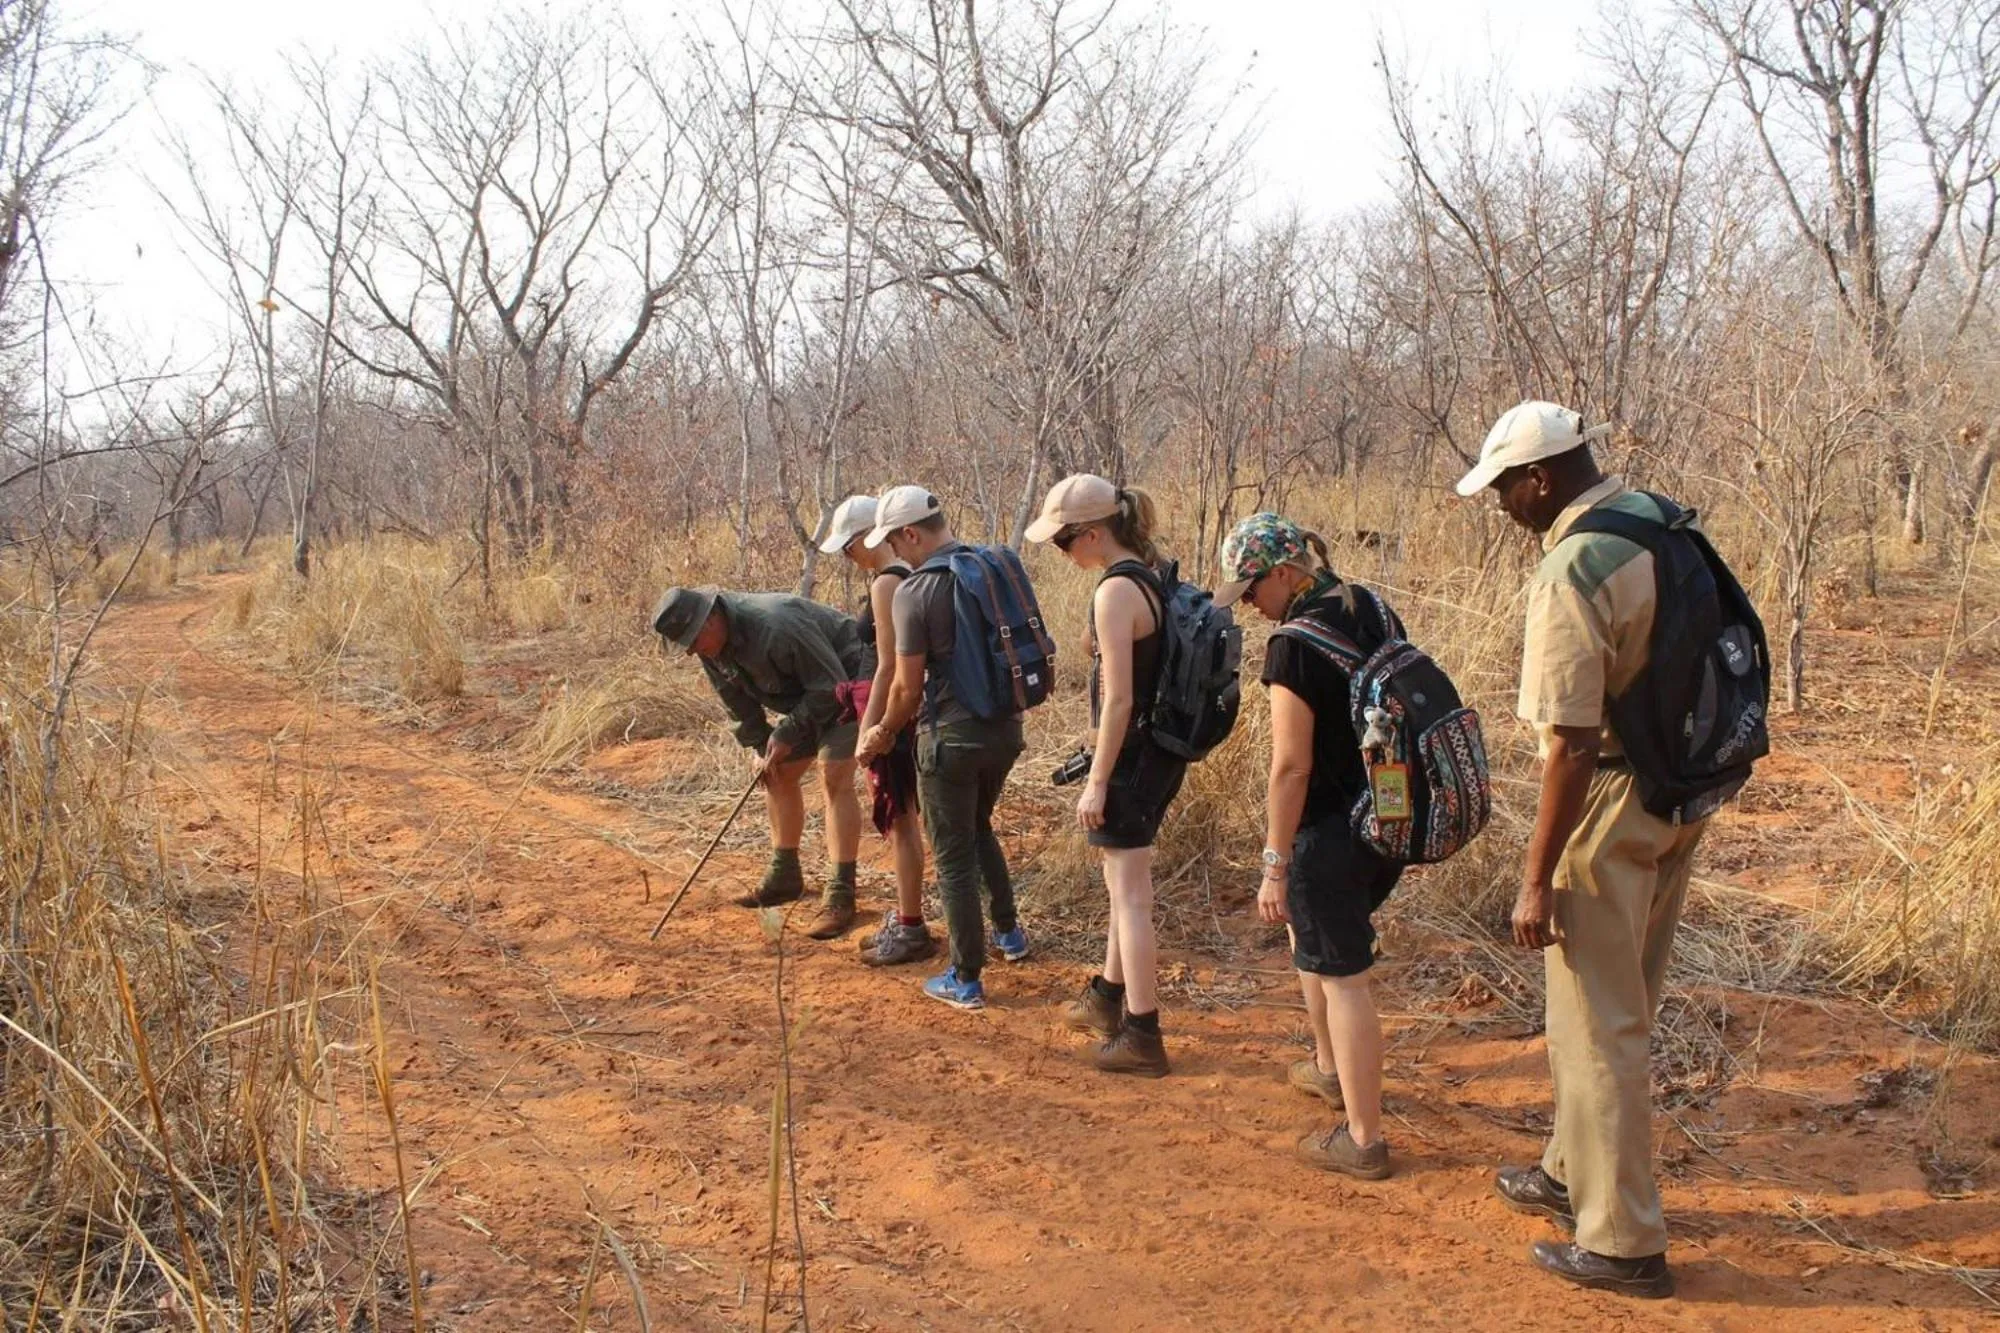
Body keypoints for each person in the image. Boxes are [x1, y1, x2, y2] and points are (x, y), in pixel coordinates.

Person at [1456, 400, 1698, 1300]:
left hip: (1611, 801)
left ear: (1541, 477)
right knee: (1619, 1002)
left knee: (1598, 1026)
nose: (1503, 505)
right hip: (1678, 788)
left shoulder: (1573, 565)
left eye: (1505, 488)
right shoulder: (1658, 519)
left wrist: (1535, 877)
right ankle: (1570, 1172)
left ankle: (1624, 1241)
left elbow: (1569, 744)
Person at [1214, 512, 1403, 1180]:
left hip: (1327, 830)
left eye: (1252, 589)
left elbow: (1290, 767)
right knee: (1316, 941)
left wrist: (1274, 862)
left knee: (1344, 975)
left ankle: (1364, 1138)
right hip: (1386, 816)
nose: (1250, 604)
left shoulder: (1292, 644)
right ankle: (1328, 1067)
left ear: (1286, 573)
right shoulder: (1369, 605)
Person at [1026, 474, 1183, 1077]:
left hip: (1130, 758)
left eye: (1064, 541)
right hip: (1155, 756)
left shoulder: (1116, 591)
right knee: (1124, 885)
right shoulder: (1148, 574)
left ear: (1092, 533)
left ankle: (1143, 1033)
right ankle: (1108, 998)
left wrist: (1097, 779)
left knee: (1131, 896)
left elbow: (1118, 700)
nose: (1062, 552)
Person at [855, 485, 1030, 1010]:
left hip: (950, 738)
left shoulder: (915, 591)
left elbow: (906, 688)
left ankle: (965, 977)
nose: (894, 552)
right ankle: (1009, 933)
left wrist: (882, 732)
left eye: (894, 541)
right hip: (1006, 730)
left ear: (910, 534)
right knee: (977, 827)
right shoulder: (992, 564)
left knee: (952, 856)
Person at [652, 585, 870, 939]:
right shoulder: (710, 648)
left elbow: (830, 686)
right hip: (810, 696)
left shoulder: (775, 623)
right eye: (686, 644)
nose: (692, 650)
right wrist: (761, 746)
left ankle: (840, 893)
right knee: (775, 772)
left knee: (833, 774)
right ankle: (785, 875)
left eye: (693, 639)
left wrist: (788, 732)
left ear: (712, 618)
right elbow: (739, 707)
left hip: (850, 683)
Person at [819, 495, 938, 966]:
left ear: (870, 537)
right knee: (905, 817)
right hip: (903, 706)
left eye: (849, 546)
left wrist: (869, 730)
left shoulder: (889, 582)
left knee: (901, 819)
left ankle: (910, 924)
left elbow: (888, 664)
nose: (849, 556)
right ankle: (908, 917)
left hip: (888, 707)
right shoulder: (910, 574)